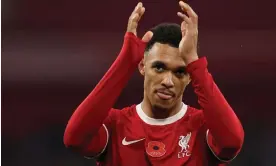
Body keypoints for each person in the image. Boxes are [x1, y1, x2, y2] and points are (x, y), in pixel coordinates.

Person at [63, 1, 244, 165]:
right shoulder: (115, 125)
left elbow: (232, 143)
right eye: (159, 68)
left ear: (190, 77)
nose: (168, 81)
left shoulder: (203, 127)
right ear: (142, 66)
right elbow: (74, 139)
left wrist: (196, 65)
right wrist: (125, 63)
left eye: (180, 72)